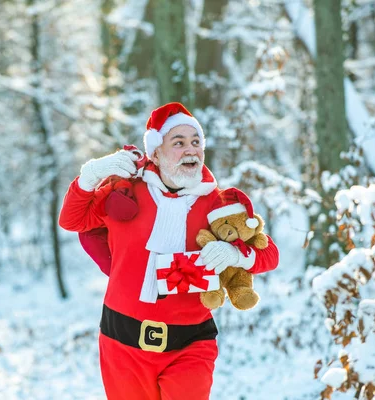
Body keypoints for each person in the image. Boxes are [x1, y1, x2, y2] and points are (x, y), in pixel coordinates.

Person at [59, 102, 279, 400]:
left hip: (190, 344)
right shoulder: (124, 191)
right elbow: (72, 221)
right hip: (122, 341)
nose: (191, 150)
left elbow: (270, 255)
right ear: (156, 153)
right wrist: (91, 175)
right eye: (179, 143)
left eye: (196, 142)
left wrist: (236, 255)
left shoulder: (219, 204)